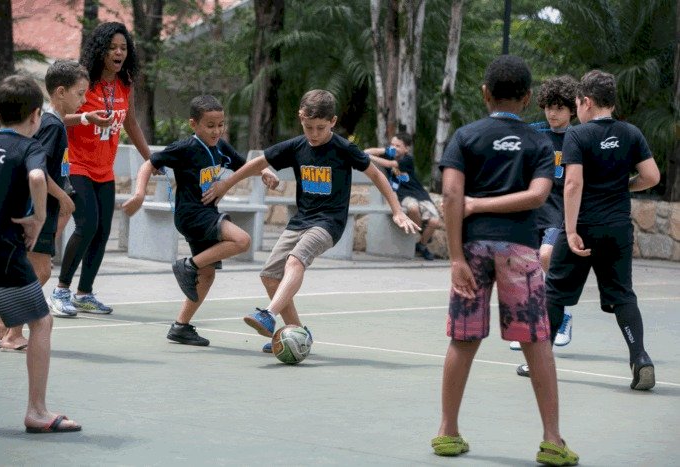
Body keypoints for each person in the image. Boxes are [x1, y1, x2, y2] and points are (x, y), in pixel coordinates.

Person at [434, 55, 578, 465]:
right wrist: (482, 205)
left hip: (473, 251)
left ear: (485, 93)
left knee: (462, 340)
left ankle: (447, 432)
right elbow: (536, 196)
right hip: (520, 250)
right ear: (529, 99)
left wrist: (456, 256)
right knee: (537, 344)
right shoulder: (538, 143)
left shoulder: (465, 136)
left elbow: (450, 197)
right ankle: (552, 440)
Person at [205, 89, 419, 352]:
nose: (314, 134)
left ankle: (269, 315)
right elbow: (257, 162)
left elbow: (376, 175)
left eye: (320, 128)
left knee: (296, 260)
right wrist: (226, 184)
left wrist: (397, 210)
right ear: (300, 118)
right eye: (309, 127)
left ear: (333, 122)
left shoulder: (343, 148)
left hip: (329, 223)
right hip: (301, 220)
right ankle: (297, 334)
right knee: (270, 275)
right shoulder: (296, 146)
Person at [122, 95, 279, 345]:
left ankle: (180, 326)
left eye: (221, 125)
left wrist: (264, 171)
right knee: (242, 240)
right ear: (194, 124)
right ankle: (187, 266)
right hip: (192, 214)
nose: (217, 130)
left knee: (207, 274)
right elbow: (149, 164)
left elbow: (243, 165)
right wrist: (140, 194)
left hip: (205, 214)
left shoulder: (220, 147)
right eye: (210, 125)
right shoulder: (185, 148)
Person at [545, 70, 660, 391]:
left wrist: (569, 231)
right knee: (623, 295)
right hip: (618, 228)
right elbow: (651, 176)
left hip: (583, 228)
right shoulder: (631, 132)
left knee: (554, 293)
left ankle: (539, 361)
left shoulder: (577, 136)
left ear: (586, 102)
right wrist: (625, 187)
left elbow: (573, 183)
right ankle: (640, 358)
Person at [0, 75, 81, 433]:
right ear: (37, 115)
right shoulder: (29, 147)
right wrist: (38, 219)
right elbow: (38, 179)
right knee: (41, 321)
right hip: (1, 251)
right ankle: (37, 411)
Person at [0, 61, 89, 350]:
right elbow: (39, 170)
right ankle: (9, 330)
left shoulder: (52, 122)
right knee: (39, 271)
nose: (83, 101)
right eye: (80, 94)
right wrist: (64, 197)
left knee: (33, 269)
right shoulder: (53, 126)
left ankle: (5, 327)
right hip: (37, 207)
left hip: (40, 206)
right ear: (59, 92)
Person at [49, 22, 151, 316]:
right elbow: (56, 118)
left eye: (123, 47)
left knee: (103, 230)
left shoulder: (125, 83)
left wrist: (150, 159)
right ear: (100, 50)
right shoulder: (83, 81)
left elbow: (130, 123)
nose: (119, 52)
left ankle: (85, 293)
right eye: (112, 47)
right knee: (87, 224)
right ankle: (60, 291)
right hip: (76, 164)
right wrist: (86, 119)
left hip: (105, 169)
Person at [510, 75, 578, 372]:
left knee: (546, 257)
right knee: (525, 266)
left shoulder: (580, 136)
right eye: (550, 106)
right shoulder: (534, 132)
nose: (554, 113)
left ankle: (561, 318)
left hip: (560, 212)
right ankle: (530, 323)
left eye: (560, 107)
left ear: (572, 110)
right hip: (533, 211)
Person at [364, 132, 441, 260]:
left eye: (398, 146)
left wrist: (370, 157)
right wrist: (386, 150)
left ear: (407, 148)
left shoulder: (407, 159)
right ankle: (423, 233)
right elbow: (366, 151)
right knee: (413, 208)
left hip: (420, 194)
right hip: (404, 195)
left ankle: (421, 245)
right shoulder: (389, 155)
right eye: (392, 145)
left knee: (435, 221)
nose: (394, 148)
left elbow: (390, 165)